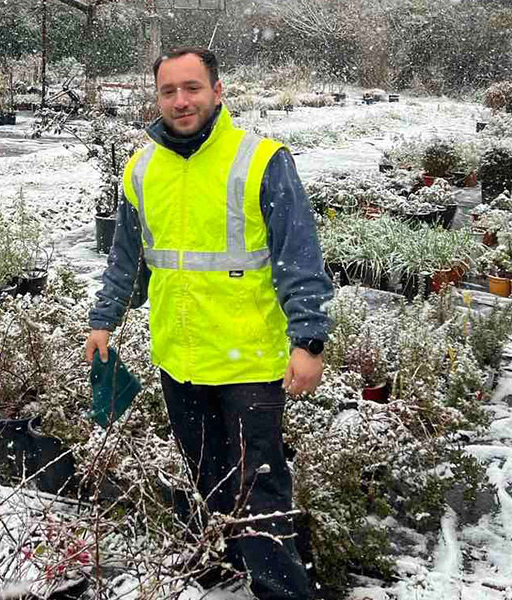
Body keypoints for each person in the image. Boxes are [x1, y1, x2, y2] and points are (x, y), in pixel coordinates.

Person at [84, 47, 332, 600]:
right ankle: (221, 570)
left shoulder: (261, 160)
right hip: (180, 356)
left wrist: (308, 339)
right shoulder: (142, 167)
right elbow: (127, 257)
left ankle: (282, 590)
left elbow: (299, 256)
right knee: (208, 479)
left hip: (248, 359)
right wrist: (104, 319)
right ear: (157, 97)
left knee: (259, 492)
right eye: (169, 90)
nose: (181, 100)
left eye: (192, 88)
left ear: (217, 92)